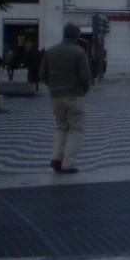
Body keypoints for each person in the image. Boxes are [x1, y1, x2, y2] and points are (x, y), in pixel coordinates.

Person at [40, 23, 92, 175]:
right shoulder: (79, 52)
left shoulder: (50, 51)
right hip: (74, 94)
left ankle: (56, 157)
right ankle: (67, 164)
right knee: (76, 129)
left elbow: (42, 74)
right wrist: (84, 90)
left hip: (56, 95)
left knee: (61, 127)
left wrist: (52, 86)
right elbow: (85, 76)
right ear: (77, 36)